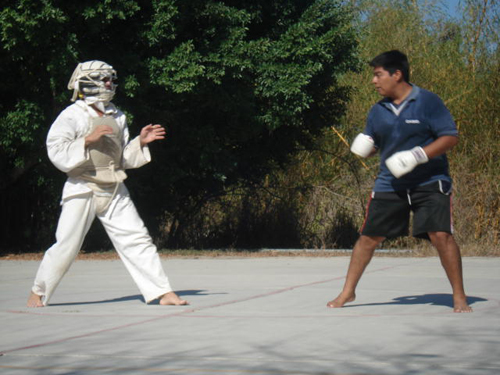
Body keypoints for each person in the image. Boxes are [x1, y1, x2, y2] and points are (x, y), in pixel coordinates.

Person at [27, 60, 187, 307]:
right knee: (68, 244)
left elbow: (120, 158)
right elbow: (55, 151)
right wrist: (87, 140)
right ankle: (38, 293)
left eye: (110, 79)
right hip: (83, 185)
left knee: (137, 238)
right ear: (87, 82)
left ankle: (162, 292)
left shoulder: (117, 115)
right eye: (104, 79)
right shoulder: (72, 115)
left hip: (114, 186)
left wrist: (140, 143)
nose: (109, 84)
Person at [327, 50, 472, 313]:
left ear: (397, 74)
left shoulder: (428, 101)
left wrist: (418, 155)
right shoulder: (377, 111)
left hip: (430, 180)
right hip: (389, 182)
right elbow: (374, 144)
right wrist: (365, 148)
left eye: (378, 74)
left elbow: (450, 137)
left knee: (441, 235)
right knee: (368, 238)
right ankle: (348, 292)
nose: (373, 81)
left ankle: (459, 296)